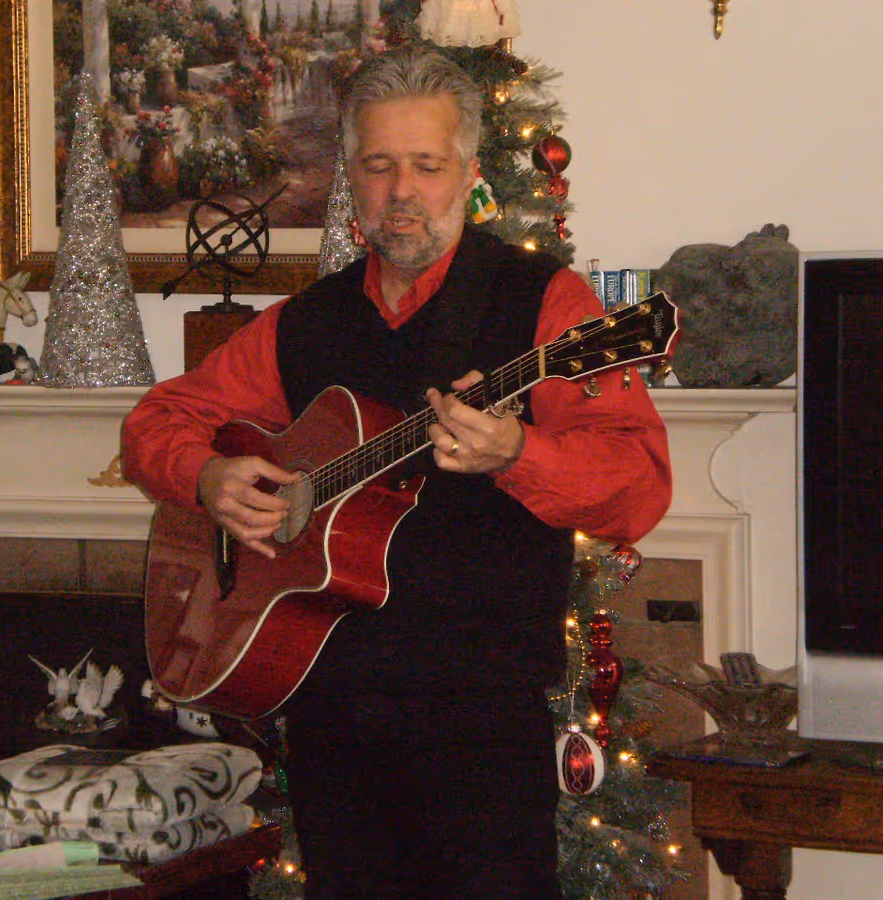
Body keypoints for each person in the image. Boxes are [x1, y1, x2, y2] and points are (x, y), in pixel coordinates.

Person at [121, 45, 671, 900]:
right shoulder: (305, 323)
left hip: (479, 729)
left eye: (427, 165)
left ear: (471, 173)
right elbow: (157, 421)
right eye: (379, 166)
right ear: (351, 174)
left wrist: (518, 452)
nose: (402, 192)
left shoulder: (549, 306)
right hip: (332, 723)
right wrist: (204, 478)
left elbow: (638, 486)